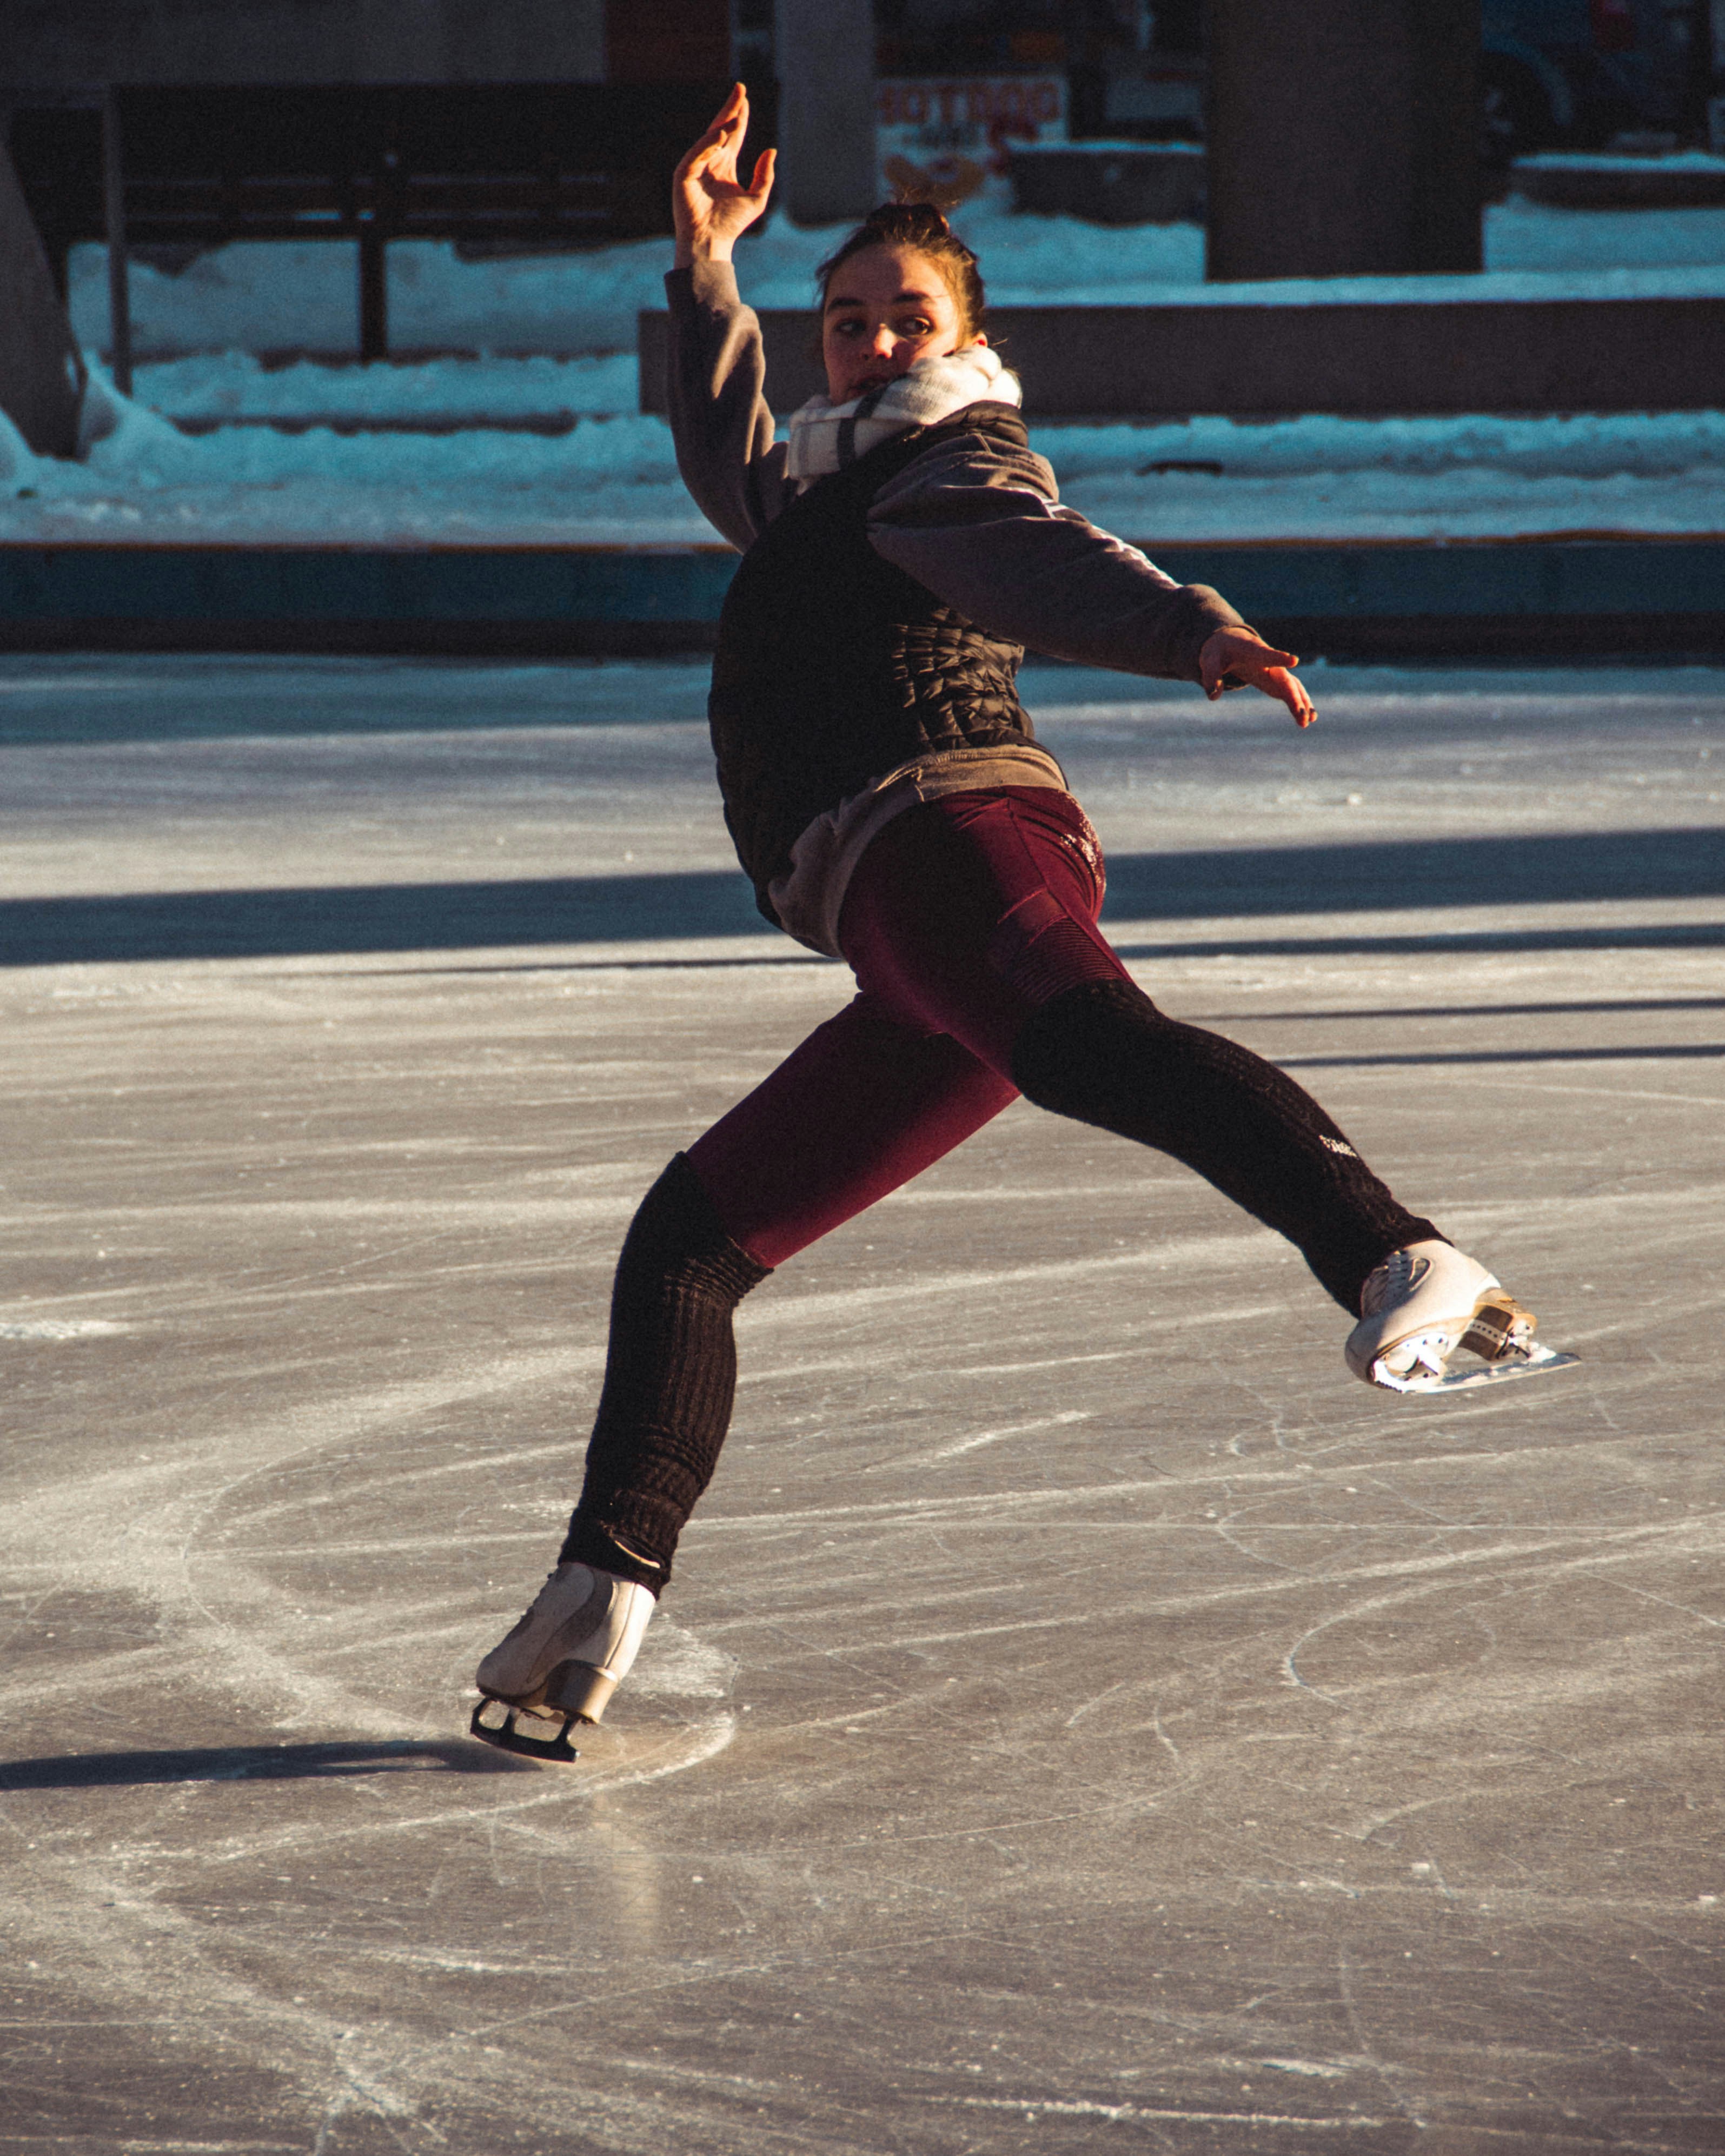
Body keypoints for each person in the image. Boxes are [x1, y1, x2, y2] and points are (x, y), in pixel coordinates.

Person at [469, 88, 1557, 1761]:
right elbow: (725, 455)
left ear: (968, 337)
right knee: (689, 1244)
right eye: (845, 318)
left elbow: (1034, 552)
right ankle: (596, 1593)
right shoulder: (835, 489)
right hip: (898, 926)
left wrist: (1195, 631)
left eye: (909, 313)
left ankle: (1402, 1253)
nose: (871, 336)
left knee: (1098, 1048)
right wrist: (702, 264)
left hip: (950, 838)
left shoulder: (947, 461)